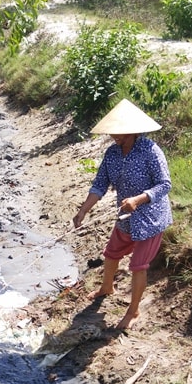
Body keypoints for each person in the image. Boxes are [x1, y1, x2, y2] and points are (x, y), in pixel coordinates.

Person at [72, 99, 173, 331]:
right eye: (113, 134)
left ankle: (133, 310)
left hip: (150, 218)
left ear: (134, 131)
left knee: (138, 265)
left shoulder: (150, 151)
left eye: (122, 134)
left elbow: (165, 184)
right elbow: (100, 184)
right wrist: (83, 210)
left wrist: (139, 199)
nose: (116, 138)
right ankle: (107, 287)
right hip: (126, 217)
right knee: (111, 253)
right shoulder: (112, 154)